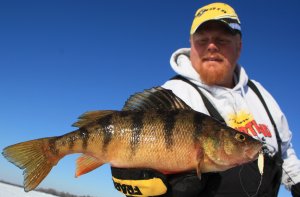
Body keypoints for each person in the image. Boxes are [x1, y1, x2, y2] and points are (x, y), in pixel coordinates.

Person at [111, 2, 300, 197]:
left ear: (239, 45)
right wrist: (136, 184)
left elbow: (285, 153)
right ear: (191, 44)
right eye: (202, 40)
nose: (211, 46)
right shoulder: (173, 95)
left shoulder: (262, 96)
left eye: (222, 39)